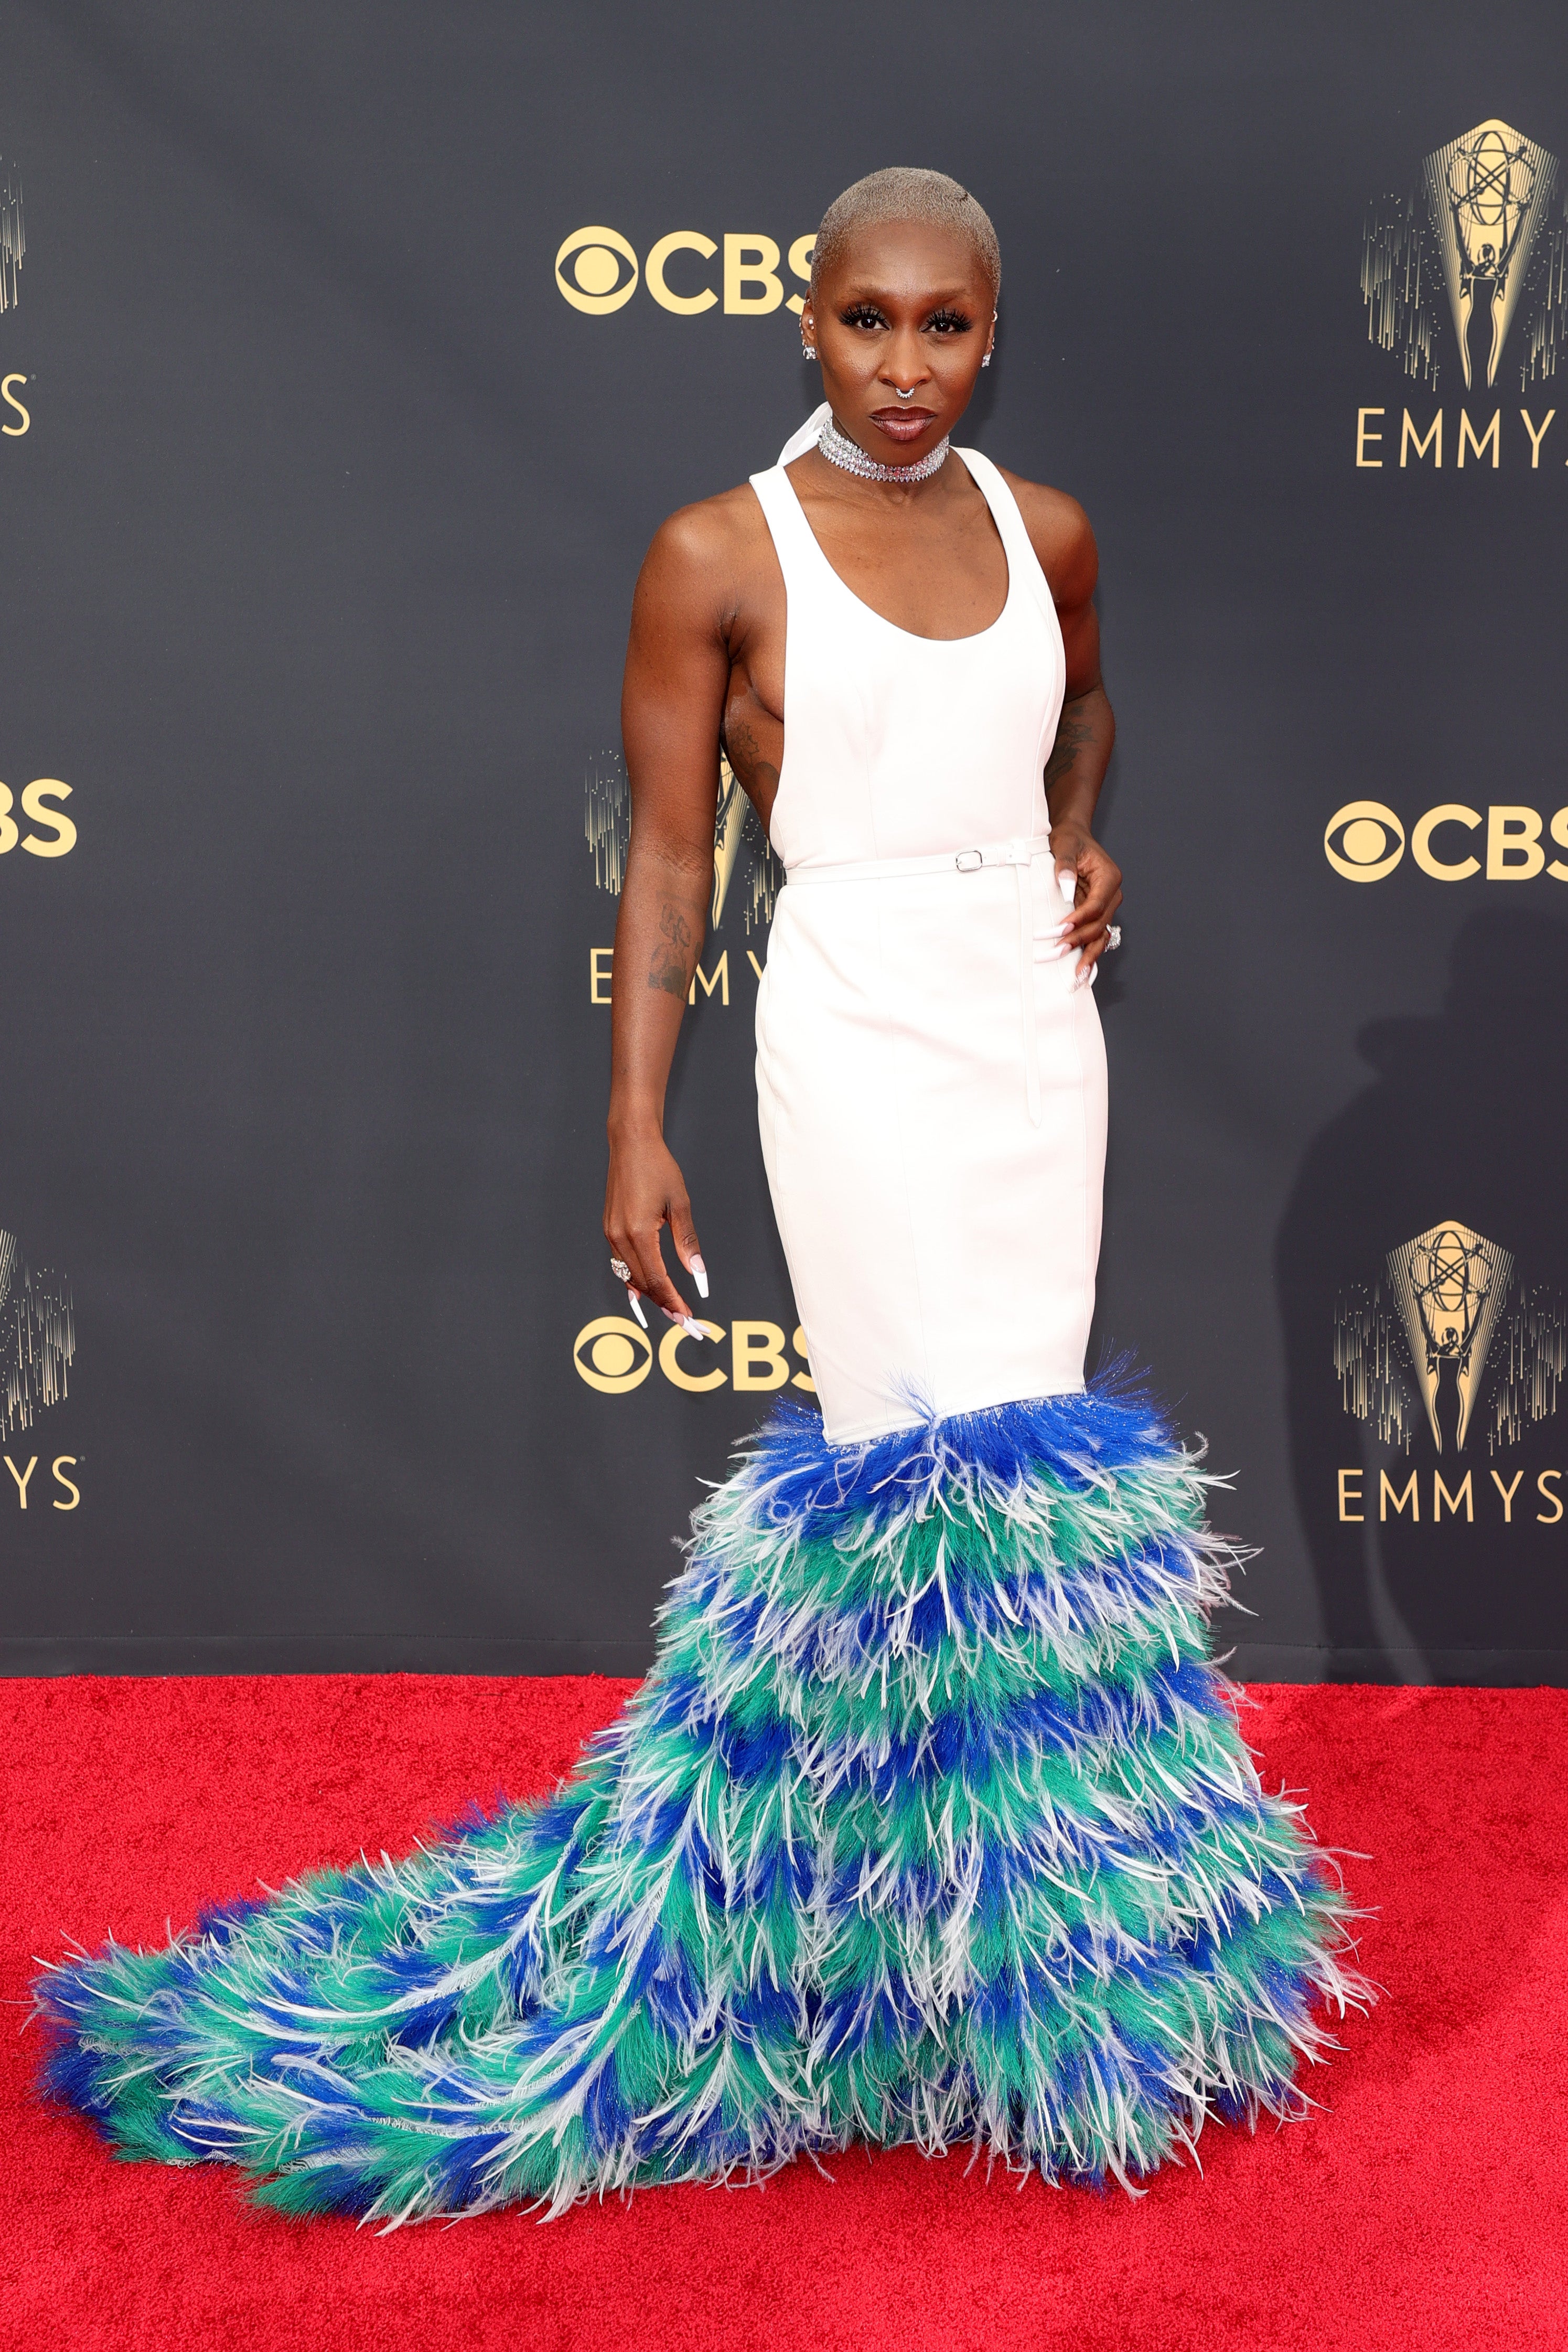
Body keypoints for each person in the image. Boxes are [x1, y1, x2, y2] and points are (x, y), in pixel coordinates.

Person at [36, 168, 1362, 2224]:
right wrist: (632, 1120)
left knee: (1021, 1481)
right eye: (865, 322)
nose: (903, 366)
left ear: (988, 334)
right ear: (805, 323)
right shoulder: (716, 552)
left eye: (941, 327)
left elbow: (1078, 709)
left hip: (1030, 1035)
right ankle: (880, 1965)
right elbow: (669, 861)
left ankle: (990, 1974)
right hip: (845, 1029)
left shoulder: (1050, 534)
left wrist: (1073, 844)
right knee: (914, 1466)